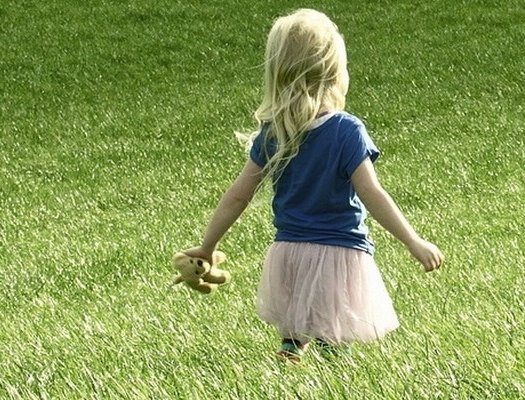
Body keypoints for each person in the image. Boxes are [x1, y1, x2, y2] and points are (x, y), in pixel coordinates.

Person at [180, 8, 444, 362]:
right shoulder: (346, 130)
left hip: (288, 251)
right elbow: (372, 193)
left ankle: (290, 352)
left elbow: (238, 195)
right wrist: (412, 240)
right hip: (338, 250)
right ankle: (329, 366)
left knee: (295, 329)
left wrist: (207, 246)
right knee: (333, 334)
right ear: (335, 73)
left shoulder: (275, 132)